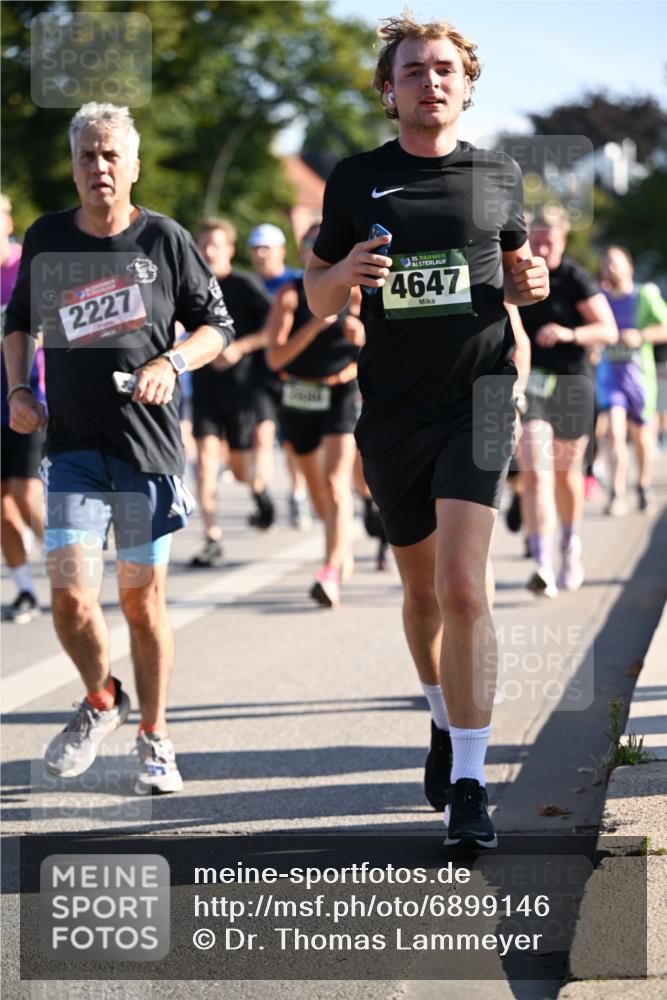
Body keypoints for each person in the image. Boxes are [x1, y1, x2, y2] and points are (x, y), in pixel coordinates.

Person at [304, 13, 549, 848]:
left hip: (478, 399)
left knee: (461, 586)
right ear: (388, 89)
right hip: (393, 410)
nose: (429, 81)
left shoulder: (498, 174)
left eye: (444, 69)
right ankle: (445, 718)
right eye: (412, 71)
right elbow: (316, 294)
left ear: (467, 83)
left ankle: (473, 784)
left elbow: (515, 280)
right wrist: (342, 273)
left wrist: (530, 280)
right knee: (418, 594)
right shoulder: (353, 178)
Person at [3, 103, 234, 794]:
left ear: (133, 164)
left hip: (145, 451)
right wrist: (18, 390)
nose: (99, 166)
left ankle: (156, 737)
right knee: (70, 596)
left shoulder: (163, 239)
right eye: (87, 156)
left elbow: (215, 326)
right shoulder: (46, 238)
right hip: (72, 443)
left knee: (141, 602)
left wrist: (171, 363)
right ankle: (102, 697)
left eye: (111, 155)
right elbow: (19, 327)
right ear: (74, 166)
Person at [517, 208, 616, 597]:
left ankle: (569, 548)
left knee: (566, 474)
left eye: (549, 241)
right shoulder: (519, 275)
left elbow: (607, 330)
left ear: (563, 241)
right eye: (536, 240)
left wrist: (568, 334)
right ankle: (541, 563)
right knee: (535, 471)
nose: (541, 247)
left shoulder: (574, 278)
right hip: (532, 385)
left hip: (572, 384)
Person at [266, 222, 363, 607]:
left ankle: (330, 570)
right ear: (304, 254)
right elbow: (274, 358)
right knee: (318, 489)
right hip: (298, 393)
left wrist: (363, 336)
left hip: (340, 389)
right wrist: (313, 326)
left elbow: (384, 350)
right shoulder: (289, 297)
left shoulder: (355, 295)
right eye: (311, 248)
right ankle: (340, 548)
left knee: (336, 484)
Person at [190, 218, 273, 566]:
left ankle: (259, 491)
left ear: (230, 250)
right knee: (205, 461)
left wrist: (240, 348)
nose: (209, 251)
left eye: (216, 245)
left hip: (241, 391)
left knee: (240, 471)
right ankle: (211, 537)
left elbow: (275, 330)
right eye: (204, 244)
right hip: (205, 389)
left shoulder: (245, 285)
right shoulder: (191, 286)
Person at [1, 193, 46, 622]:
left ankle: (70, 568)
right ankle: (25, 589)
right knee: (1, 504)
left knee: (24, 492)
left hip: (28, 395)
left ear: (8, 220)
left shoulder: (26, 267)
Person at [248, 223, 311, 529]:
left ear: (281, 251)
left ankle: (297, 493)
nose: (261, 255)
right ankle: (265, 493)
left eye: (266, 248)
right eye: (256, 249)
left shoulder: (296, 283)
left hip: (291, 371)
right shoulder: (245, 285)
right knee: (262, 434)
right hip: (257, 374)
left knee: (290, 443)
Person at [597, 245, 667, 515]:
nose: (609, 267)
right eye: (606, 262)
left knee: (641, 438)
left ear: (630, 266)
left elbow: (664, 326)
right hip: (609, 377)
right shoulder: (600, 299)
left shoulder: (644, 295)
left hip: (639, 379)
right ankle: (616, 493)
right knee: (615, 432)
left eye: (615, 262)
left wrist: (641, 336)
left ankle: (643, 484)